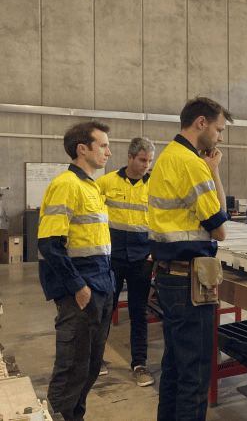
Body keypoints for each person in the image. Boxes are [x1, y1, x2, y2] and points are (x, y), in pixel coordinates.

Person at [148, 97, 231, 421]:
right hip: (189, 285)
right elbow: (220, 228)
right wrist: (213, 173)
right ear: (201, 124)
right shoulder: (190, 163)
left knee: (174, 367)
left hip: (169, 277)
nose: (220, 137)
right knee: (195, 376)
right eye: (218, 129)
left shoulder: (168, 157)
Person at [38, 120, 115, 421]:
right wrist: (77, 286)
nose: (109, 151)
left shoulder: (90, 186)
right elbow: (49, 244)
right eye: (104, 145)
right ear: (82, 149)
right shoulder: (66, 185)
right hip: (82, 292)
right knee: (71, 370)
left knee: (90, 368)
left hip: (101, 287)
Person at [96, 137, 156, 387]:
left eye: (149, 161)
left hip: (142, 259)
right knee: (104, 309)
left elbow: (161, 219)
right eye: (142, 160)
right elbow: (93, 217)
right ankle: (96, 359)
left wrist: (155, 250)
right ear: (130, 158)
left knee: (138, 312)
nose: (146, 165)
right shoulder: (105, 182)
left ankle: (139, 364)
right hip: (113, 258)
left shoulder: (155, 186)